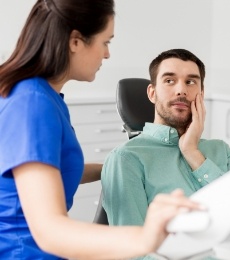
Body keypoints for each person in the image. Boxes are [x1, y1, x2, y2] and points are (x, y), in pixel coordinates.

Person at [0, 2, 204, 260]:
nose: (107, 54)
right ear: (76, 41)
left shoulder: (44, 97)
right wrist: (145, 236)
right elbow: (49, 231)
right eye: (105, 42)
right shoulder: (32, 103)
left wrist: (119, 163)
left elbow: (49, 170)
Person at [101, 48, 230, 257]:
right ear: (152, 93)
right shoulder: (126, 159)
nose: (181, 90)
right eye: (169, 81)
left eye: (191, 82)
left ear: (201, 93)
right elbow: (131, 253)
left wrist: (192, 152)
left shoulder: (221, 150)